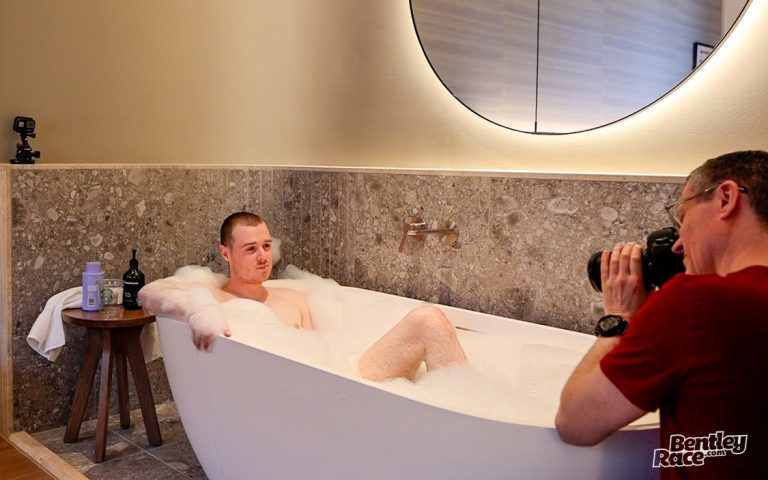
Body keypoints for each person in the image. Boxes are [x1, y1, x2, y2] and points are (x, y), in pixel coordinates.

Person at [555, 150, 768, 478]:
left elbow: (575, 423)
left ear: (726, 198)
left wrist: (620, 316)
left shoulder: (694, 303)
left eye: (682, 218)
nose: (678, 245)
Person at [168, 211, 466, 382]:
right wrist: (202, 314)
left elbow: (325, 352)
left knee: (430, 321)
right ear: (225, 253)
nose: (263, 257)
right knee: (428, 320)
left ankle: (460, 406)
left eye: (267, 246)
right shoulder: (214, 301)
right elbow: (160, 295)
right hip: (303, 398)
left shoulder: (293, 297)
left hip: (342, 382)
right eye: (250, 249)